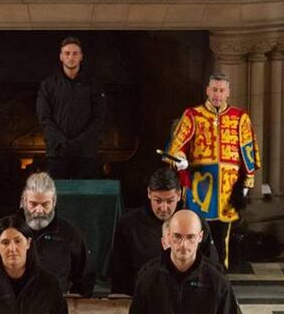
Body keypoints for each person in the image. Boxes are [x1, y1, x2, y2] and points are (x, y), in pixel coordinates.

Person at [166, 73, 260, 268]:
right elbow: (175, 148)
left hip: (228, 186)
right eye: (214, 89)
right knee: (195, 233)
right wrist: (181, 161)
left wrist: (248, 180)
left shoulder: (240, 117)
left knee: (222, 237)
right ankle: (194, 274)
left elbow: (248, 151)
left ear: (228, 92)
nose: (218, 94)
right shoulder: (192, 115)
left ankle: (220, 278)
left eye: (221, 90)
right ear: (207, 90)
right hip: (200, 186)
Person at [109, 167, 219, 296]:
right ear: (149, 193)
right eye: (158, 200)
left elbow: (213, 268)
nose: (163, 207)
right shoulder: (128, 225)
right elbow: (119, 273)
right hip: (143, 298)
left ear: (179, 195)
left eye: (169, 200)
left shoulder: (195, 223)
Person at [36, 36, 106, 179]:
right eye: (67, 53)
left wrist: (79, 141)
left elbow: (99, 117)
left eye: (75, 53)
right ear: (61, 57)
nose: (71, 57)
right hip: (57, 153)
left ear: (81, 56)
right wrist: (63, 141)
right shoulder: (48, 85)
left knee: (85, 198)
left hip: (86, 154)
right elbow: (44, 118)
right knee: (56, 198)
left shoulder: (94, 85)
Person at [19, 171, 94, 297]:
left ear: (54, 202)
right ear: (24, 201)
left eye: (45, 204)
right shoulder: (8, 230)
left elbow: (85, 276)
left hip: (56, 305)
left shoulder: (70, 233)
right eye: (33, 204)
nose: (39, 210)